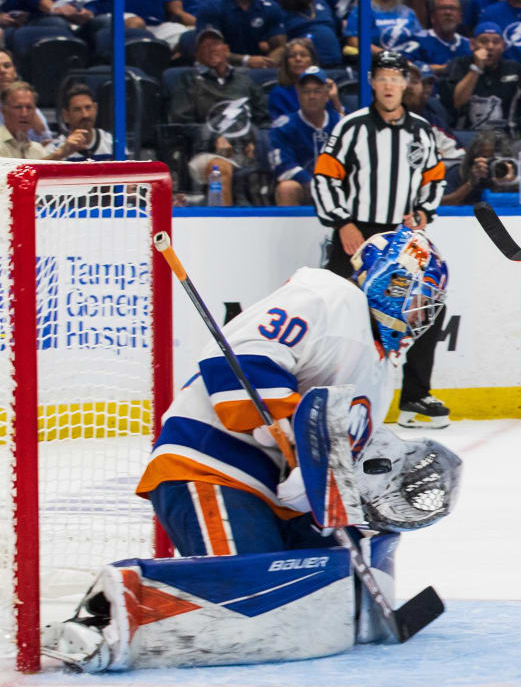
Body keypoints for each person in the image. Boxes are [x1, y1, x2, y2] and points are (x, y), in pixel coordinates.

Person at [42, 226, 459, 672]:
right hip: (212, 466)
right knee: (256, 601)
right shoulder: (330, 296)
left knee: (323, 589)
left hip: (276, 493)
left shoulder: (380, 370)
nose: (422, 314)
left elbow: (333, 459)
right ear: (390, 283)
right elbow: (237, 359)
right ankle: (106, 615)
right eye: (419, 297)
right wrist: (293, 426)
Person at [312, 50, 453, 429]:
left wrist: (423, 213)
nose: (389, 84)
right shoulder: (351, 126)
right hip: (356, 236)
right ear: (372, 83)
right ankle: (331, 395)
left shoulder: (422, 131)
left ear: (406, 84)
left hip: (402, 239)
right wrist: (342, 222)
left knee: (427, 307)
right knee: (340, 312)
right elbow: (325, 176)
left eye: (396, 77)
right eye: (383, 77)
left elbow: (435, 177)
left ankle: (415, 397)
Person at [169, 26, 269, 194]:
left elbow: (264, 120)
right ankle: (225, 220)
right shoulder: (188, 81)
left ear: (226, 49)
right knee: (220, 169)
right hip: (205, 152)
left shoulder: (245, 81)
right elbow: (180, 123)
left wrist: (256, 142)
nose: (211, 48)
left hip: (246, 149)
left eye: (215, 43)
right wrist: (213, 138)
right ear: (197, 55)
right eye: (205, 46)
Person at [443, 22, 521, 135]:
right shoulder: (460, 65)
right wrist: (476, 68)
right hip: (469, 137)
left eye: (496, 42)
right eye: (484, 41)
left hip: (507, 138)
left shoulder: (514, 68)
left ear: (503, 46)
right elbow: (457, 103)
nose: (490, 46)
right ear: (472, 44)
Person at [270, 66, 340, 204]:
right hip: (304, 186)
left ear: (327, 95)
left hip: (336, 187)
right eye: (306, 91)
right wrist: (312, 183)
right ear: (298, 94)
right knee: (286, 188)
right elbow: (283, 166)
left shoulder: (341, 124)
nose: (311, 96)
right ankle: (288, 226)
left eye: (317, 91)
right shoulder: (283, 126)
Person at [196, 0, 287, 68]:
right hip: (219, 68)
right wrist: (246, 61)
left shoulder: (270, 6)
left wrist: (268, 62)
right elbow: (210, 51)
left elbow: (280, 47)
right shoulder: (212, 6)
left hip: (258, 69)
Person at [343, 0, 430, 60]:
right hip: (377, 63)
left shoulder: (408, 12)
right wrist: (389, 57)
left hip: (410, 61)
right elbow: (353, 41)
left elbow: (421, 40)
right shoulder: (362, 11)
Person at [276, 0, 343, 67]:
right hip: (302, 69)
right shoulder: (277, 11)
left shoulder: (322, 3)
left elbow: (339, 29)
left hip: (337, 65)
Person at [269, 38, 343, 123]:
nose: (298, 59)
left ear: (312, 60)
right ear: (286, 63)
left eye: (303, 55)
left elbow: (343, 123)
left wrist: (334, 99)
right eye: (292, 56)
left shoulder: (324, 87)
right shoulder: (278, 93)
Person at [47, 82, 114, 160]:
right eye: (77, 110)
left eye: (88, 107)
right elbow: (33, 170)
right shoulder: (55, 149)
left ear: (95, 108)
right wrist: (62, 152)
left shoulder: (111, 143)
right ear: (66, 115)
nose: (85, 115)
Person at [421, 0, 473, 76]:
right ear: (432, 17)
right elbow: (403, 65)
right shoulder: (419, 40)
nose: (448, 12)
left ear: (460, 18)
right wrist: (440, 69)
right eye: (442, 8)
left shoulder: (469, 45)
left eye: (452, 8)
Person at [0, 81, 50, 159]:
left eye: (29, 107)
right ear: (4, 111)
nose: (24, 114)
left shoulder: (38, 150)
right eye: (18, 107)